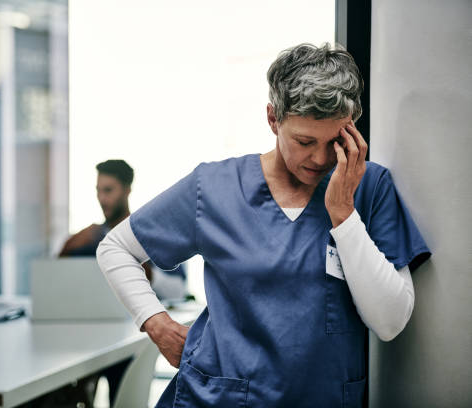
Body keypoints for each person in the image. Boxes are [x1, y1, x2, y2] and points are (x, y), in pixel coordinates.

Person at [96, 43, 431, 407]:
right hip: (215, 398)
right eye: (304, 141)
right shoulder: (214, 187)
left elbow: (390, 322)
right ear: (273, 119)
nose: (319, 159)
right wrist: (156, 323)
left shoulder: (370, 187)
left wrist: (344, 214)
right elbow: (116, 248)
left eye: (333, 141)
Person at [57, 159, 186, 407]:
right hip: (84, 339)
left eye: (108, 190)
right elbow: (57, 285)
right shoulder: (90, 238)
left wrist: (143, 273)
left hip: (130, 338)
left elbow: (178, 289)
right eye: (98, 190)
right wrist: (68, 246)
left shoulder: (149, 233)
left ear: (127, 189)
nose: (101, 198)